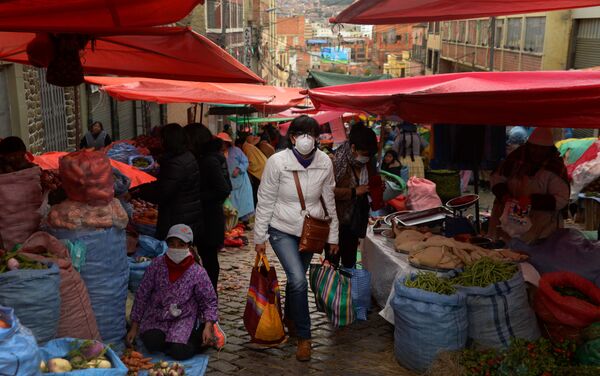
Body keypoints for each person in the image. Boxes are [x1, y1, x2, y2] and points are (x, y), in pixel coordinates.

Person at [253, 115, 339, 362]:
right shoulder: (276, 162)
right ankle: (304, 337)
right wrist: (260, 236)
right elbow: (266, 200)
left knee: (295, 281)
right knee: (299, 280)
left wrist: (333, 237)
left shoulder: (325, 162)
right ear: (291, 138)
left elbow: (328, 200)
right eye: (300, 134)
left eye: (310, 134)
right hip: (281, 229)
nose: (305, 139)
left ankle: (290, 317)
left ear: (316, 138)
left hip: (310, 231)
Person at [126, 224, 223, 360]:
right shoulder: (156, 265)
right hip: (158, 316)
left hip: (184, 318)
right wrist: (134, 326)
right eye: (172, 244)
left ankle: (201, 336)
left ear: (189, 246)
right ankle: (171, 341)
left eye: (181, 245)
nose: (176, 248)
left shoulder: (197, 272)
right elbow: (142, 294)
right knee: (151, 342)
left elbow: (209, 300)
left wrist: (208, 325)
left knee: (180, 352)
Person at [489, 127, 570, 246]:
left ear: (549, 150)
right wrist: (505, 196)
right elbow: (496, 179)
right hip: (506, 215)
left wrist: (531, 201)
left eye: (542, 149)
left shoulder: (554, 168)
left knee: (533, 255)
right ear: (528, 146)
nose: (537, 152)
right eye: (534, 148)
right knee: (503, 251)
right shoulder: (514, 160)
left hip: (540, 223)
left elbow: (562, 199)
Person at [136, 124, 203, 242]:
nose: (160, 141)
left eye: (162, 139)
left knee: (174, 252)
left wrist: (139, 191)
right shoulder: (187, 155)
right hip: (186, 213)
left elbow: (163, 192)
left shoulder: (175, 163)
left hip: (176, 216)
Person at [185, 124, 232, 292]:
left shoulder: (209, 160)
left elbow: (224, 189)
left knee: (210, 261)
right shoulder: (207, 157)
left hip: (209, 218)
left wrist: (196, 196)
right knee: (208, 259)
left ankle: (210, 299)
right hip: (207, 217)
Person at [330, 124, 378, 269]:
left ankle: (347, 291)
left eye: (369, 154)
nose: (366, 157)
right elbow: (327, 192)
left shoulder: (369, 164)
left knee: (349, 264)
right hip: (336, 222)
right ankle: (330, 291)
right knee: (331, 264)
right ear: (353, 148)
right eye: (363, 153)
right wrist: (354, 192)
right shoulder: (337, 162)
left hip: (355, 222)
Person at [218, 132, 255, 223]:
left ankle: (244, 222)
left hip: (242, 182)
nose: (222, 145)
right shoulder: (218, 154)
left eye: (223, 142)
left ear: (227, 143)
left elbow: (245, 162)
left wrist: (239, 169)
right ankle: (234, 222)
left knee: (243, 202)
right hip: (229, 184)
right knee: (231, 206)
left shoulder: (236, 150)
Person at [241, 134, 268, 206]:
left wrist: (245, 169)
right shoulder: (248, 146)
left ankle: (256, 205)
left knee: (256, 190)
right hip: (262, 169)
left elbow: (250, 162)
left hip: (258, 171)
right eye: (251, 136)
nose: (253, 137)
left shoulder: (246, 147)